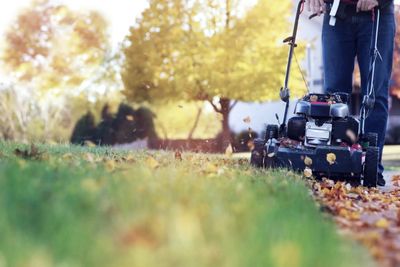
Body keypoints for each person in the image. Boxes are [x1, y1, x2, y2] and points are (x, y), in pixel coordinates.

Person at [306, 0, 395, 186]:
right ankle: (335, 164)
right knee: (334, 97)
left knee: (374, 93)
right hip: (337, 16)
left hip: (376, 14)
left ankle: (371, 166)